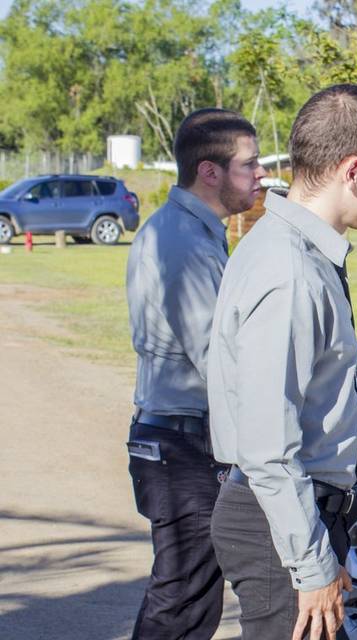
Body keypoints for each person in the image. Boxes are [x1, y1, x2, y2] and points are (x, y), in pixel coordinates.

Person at [207, 84, 357, 640]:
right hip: (283, 522)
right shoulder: (290, 272)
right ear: (354, 170)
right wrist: (312, 565)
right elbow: (268, 449)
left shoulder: (295, 250)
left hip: (296, 516)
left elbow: (314, 354)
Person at [125, 108, 266, 638]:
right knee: (181, 602)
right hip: (181, 447)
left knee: (189, 599)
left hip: (179, 440)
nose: (260, 175)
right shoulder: (181, 242)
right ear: (209, 172)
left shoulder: (193, 231)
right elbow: (219, 357)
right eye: (248, 165)